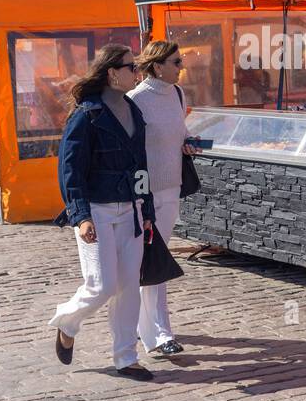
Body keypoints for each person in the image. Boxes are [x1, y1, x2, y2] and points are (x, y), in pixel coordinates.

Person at [49, 43, 158, 381]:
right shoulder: (87, 115)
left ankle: (126, 357)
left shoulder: (134, 111)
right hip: (96, 211)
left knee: (129, 286)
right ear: (112, 72)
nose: (137, 74)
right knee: (102, 285)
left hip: (132, 211)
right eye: (131, 68)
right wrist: (79, 216)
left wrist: (148, 210)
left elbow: (141, 165)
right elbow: (70, 169)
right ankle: (68, 321)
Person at [127, 41, 199, 359]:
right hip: (145, 193)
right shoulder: (134, 100)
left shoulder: (178, 94)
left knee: (155, 260)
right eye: (176, 61)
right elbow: (129, 150)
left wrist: (187, 143)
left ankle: (144, 326)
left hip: (171, 188)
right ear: (158, 66)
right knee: (152, 263)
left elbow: (178, 132)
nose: (181, 66)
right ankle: (157, 334)